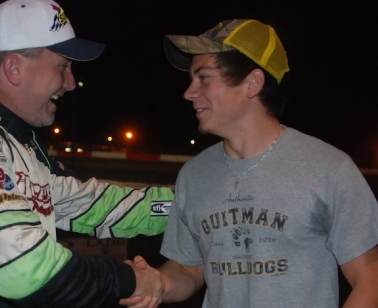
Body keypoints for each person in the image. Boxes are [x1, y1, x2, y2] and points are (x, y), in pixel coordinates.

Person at [0, 0, 172, 307]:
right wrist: (130, 280)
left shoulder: (16, 143)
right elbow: (26, 270)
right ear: (14, 68)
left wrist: (190, 205)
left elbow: (97, 205)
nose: (70, 83)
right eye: (63, 66)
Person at [122, 19, 378, 307]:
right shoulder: (193, 175)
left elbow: (370, 281)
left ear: (253, 83)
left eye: (203, 77)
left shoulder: (329, 169)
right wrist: (155, 283)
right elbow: (189, 268)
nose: (189, 92)